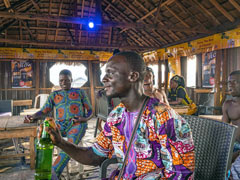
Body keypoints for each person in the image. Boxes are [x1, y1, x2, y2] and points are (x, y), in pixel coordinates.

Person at [45, 52, 195, 179]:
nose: (104, 79)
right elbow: (95, 156)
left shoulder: (165, 118)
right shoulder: (117, 115)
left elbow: (181, 173)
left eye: (111, 73)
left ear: (133, 76)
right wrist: (60, 142)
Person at [24, 69, 93, 178]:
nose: (63, 82)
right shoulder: (54, 95)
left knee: (70, 143)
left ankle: (54, 172)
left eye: (66, 80)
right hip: (60, 124)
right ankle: (42, 167)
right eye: (61, 80)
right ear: (58, 81)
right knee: (43, 135)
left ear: (71, 80)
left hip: (77, 124)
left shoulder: (80, 92)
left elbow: (90, 111)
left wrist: (83, 119)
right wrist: (32, 117)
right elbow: (44, 111)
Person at [222, 70, 240, 179]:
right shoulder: (227, 105)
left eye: (235, 82)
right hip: (233, 145)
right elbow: (223, 132)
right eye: (229, 82)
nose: (231, 85)